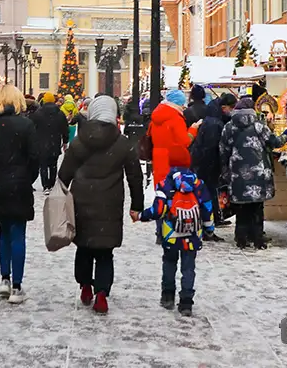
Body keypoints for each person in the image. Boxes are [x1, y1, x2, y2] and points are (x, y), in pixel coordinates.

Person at [59, 96, 143, 315]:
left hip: (82, 202)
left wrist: (59, 196)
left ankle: (86, 286)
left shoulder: (79, 141)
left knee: (84, 247)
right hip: (110, 204)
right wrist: (137, 204)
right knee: (105, 252)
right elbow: (135, 175)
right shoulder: (123, 143)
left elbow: (64, 174)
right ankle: (102, 294)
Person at [0, 85, 39, 304]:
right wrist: (26, 177)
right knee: (18, 234)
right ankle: (17, 286)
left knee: (3, 233)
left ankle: (4, 278)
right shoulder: (26, 125)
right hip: (20, 184)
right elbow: (34, 157)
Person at [135, 168, 215, 316]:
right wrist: (209, 228)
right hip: (192, 235)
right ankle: (186, 303)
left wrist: (140, 216)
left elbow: (158, 210)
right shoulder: (199, 185)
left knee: (169, 263)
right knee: (188, 268)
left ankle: (167, 296)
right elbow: (207, 208)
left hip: (171, 234)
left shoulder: (165, 184)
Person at [219, 96, 287, 250]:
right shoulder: (259, 126)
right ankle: (257, 239)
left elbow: (223, 151)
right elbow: (275, 142)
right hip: (259, 174)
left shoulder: (229, 127)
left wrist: (226, 170)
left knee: (241, 209)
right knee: (257, 208)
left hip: (237, 174)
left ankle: (241, 239)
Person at [192, 93, 237, 228]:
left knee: (210, 191)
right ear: (224, 107)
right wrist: (218, 165)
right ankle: (210, 222)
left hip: (205, 163)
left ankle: (213, 219)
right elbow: (212, 148)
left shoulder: (213, 119)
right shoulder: (215, 123)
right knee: (210, 191)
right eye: (232, 108)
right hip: (208, 164)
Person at [148, 89, 194, 189]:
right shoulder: (176, 118)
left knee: (162, 191)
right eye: (182, 103)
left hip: (158, 159)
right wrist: (193, 130)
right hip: (173, 161)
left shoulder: (156, 116)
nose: (184, 106)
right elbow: (185, 142)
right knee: (174, 194)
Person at [30, 92, 70, 194]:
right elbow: (65, 129)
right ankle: (52, 184)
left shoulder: (38, 114)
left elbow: (32, 129)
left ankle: (45, 185)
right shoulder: (60, 114)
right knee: (53, 165)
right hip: (55, 143)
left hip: (41, 143)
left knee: (43, 165)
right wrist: (65, 141)